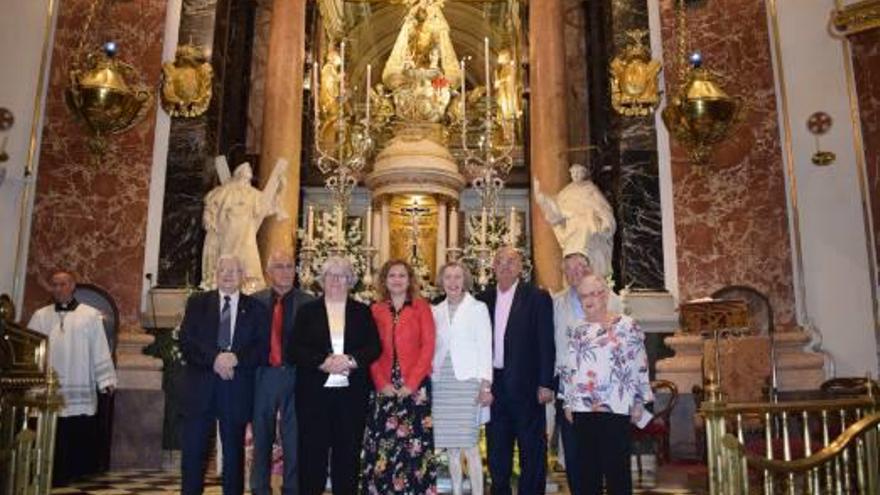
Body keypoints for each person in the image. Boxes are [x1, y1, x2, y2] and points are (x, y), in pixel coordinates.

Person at [178, 255, 269, 495]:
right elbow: (187, 342)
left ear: (242, 276)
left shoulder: (256, 308)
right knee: (193, 453)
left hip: (236, 388)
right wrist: (215, 359)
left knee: (233, 456)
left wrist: (236, 358)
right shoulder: (197, 303)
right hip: (201, 389)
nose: (228, 275)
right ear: (215, 274)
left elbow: (262, 348)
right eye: (223, 270)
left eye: (234, 271)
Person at [290, 256, 381, 495]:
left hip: (351, 396)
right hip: (314, 395)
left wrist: (350, 360)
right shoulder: (307, 311)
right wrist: (323, 362)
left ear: (350, 281)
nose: (336, 281)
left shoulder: (362, 312)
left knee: (348, 454)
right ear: (322, 280)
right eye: (331, 276)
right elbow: (295, 348)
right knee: (312, 454)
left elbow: (374, 347)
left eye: (342, 276)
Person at [560, 274, 652, 495]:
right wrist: (567, 403)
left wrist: (640, 401)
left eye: (593, 294)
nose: (588, 300)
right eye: (583, 296)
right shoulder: (577, 329)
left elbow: (640, 364)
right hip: (583, 407)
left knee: (616, 471)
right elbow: (570, 368)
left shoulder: (626, 325)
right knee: (586, 471)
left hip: (616, 406)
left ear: (604, 295)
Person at [476, 246, 555, 495]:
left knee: (532, 450)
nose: (505, 265)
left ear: (521, 267)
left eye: (511, 261)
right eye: (500, 261)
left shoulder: (537, 297)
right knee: (497, 450)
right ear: (493, 268)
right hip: (494, 387)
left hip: (527, 386)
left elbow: (546, 342)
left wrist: (546, 383)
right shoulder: (482, 299)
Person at [27, 270, 117, 486]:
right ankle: (49, 470)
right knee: (52, 427)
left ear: (72, 286)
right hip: (50, 385)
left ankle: (77, 472)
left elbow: (100, 348)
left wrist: (105, 380)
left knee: (76, 426)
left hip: (79, 380)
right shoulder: (41, 316)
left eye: (63, 284)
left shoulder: (90, 315)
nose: (58, 289)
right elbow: (30, 349)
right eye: (55, 285)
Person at [361, 259, 437, 494]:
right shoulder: (376, 309)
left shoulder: (421, 307)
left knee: (412, 445)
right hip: (383, 385)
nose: (397, 280)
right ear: (384, 280)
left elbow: (428, 346)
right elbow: (369, 348)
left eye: (402, 275)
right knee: (384, 443)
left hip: (414, 386)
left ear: (409, 280)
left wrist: (412, 383)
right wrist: (380, 382)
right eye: (392, 275)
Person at [250, 251, 315, 495]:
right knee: (261, 437)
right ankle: (259, 487)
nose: (286, 272)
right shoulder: (254, 301)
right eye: (279, 266)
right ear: (269, 272)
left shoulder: (308, 303)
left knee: (294, 439)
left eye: (290, 266)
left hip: (296, 376)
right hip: (263, 375)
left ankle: (292, 488)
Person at [431, 261, 493, 495]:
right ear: (442, 282)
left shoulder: (478, 308)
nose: (453, 282)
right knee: (452, 449)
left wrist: (485, 385)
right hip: (442, 384)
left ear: (465, 280)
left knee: (470, 446)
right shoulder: (435, 310)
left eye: (458, 277)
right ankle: (457, 491)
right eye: (448, 277)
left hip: (468, 384)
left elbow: (486, 347)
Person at [201, 161, 287, 290]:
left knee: (249, 257)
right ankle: (222, 280)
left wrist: (281, 188)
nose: (248, 174)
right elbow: (212, 204)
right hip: (229, 228)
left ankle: (249, 284)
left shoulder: (252, 193)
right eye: (245, 172)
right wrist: (208, 217)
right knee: (227, 256)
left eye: (249, 173)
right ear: (239, 174)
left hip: (246, 232)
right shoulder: (226, 190)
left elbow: (267, 205)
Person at [551, 253, 592, 495]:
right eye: (570, 269)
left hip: (602, 389)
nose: (576, 272)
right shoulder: (556, 303)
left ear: (590, 269)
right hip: (567, 387)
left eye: (580, 267)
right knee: (573, 447)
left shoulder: (613, 301)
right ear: (565, 275)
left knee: (600, 447)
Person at [533, 164, 616, 278]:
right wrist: (541, 198)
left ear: (584, 174)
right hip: (572, 232)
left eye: (578, 172)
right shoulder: (566, 193)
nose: (576, 175)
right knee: (573, 266)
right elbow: (555, 212)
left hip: (589, 229)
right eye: (573, 173)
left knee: (590, 263)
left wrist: (606, 222)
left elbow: (603, 208)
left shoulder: (591, 190)